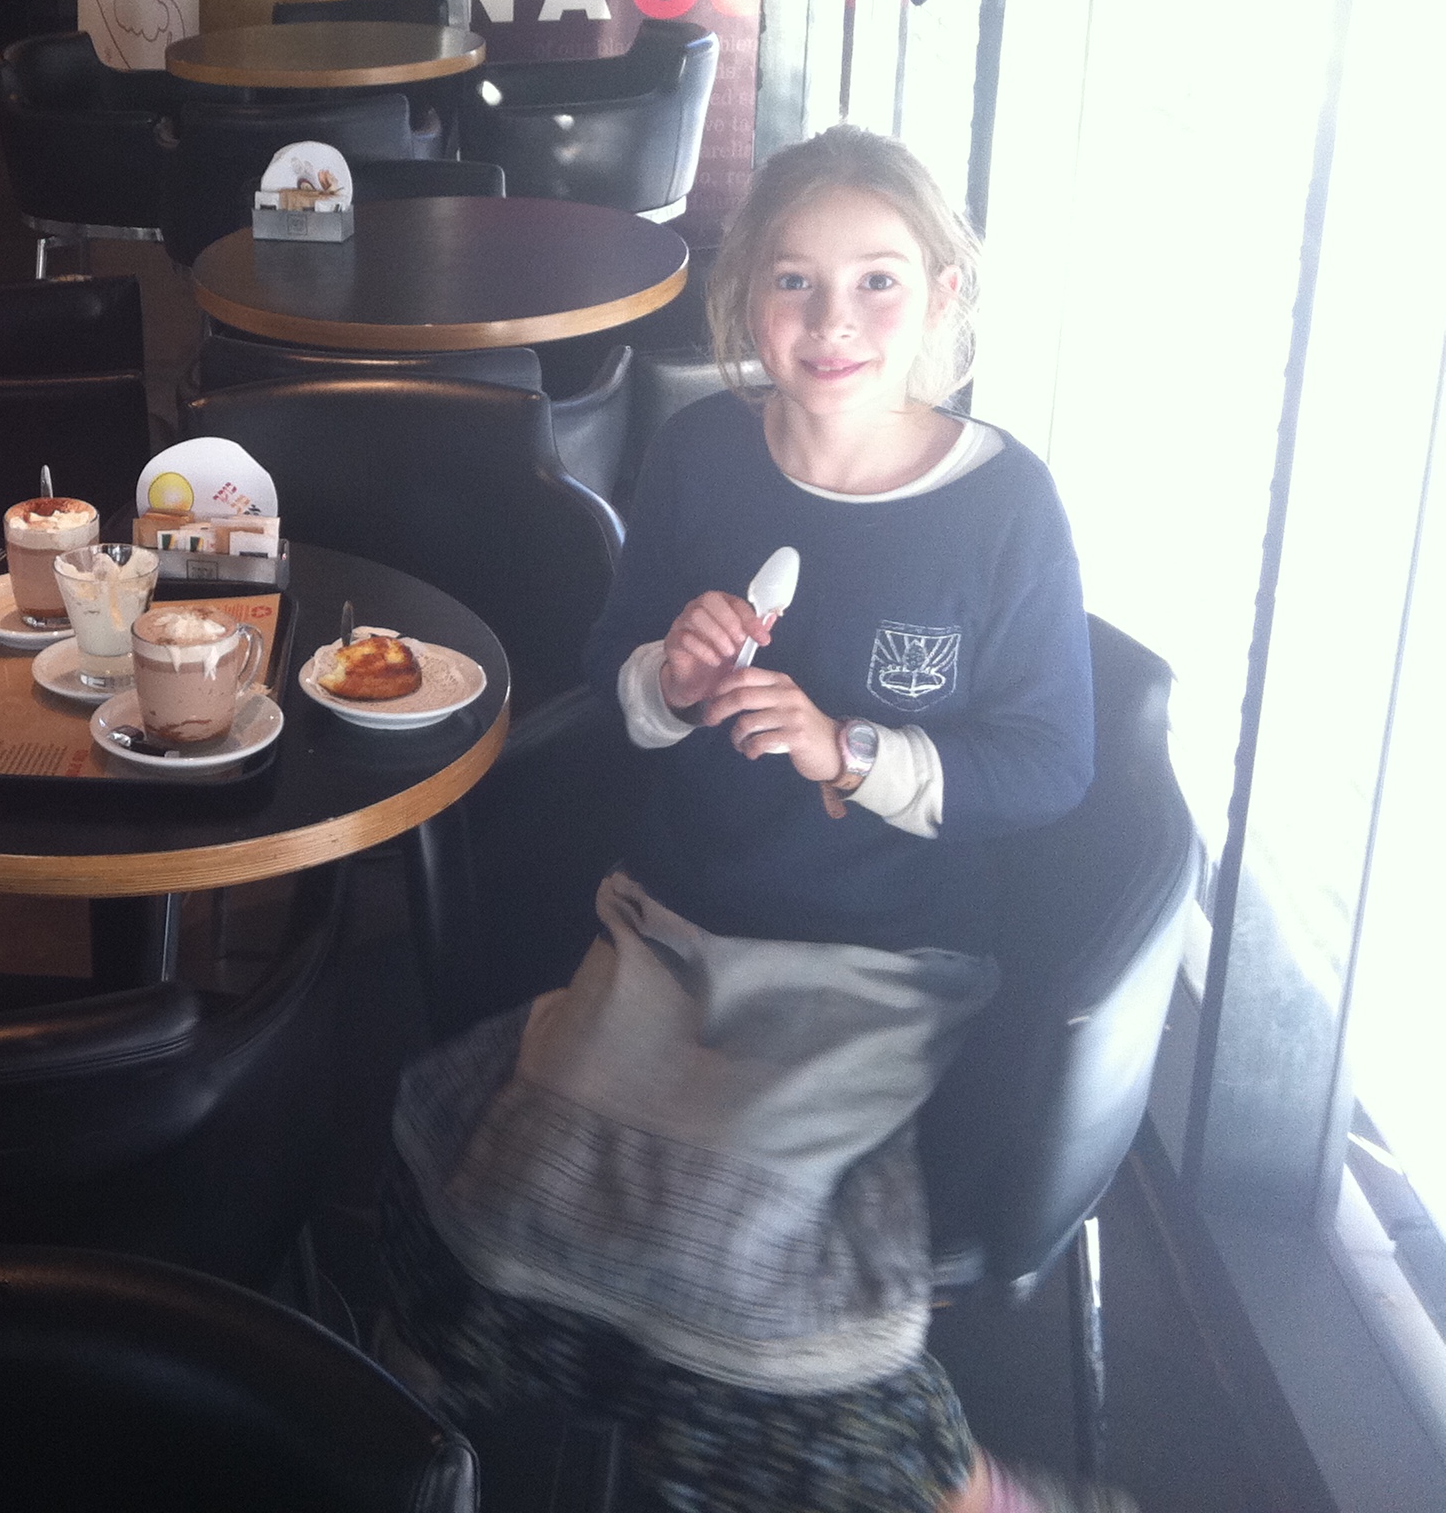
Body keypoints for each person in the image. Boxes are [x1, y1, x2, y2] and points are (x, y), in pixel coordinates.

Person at [380, 128, 1125, 1512]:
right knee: (514, 1183)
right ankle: (451, 1426)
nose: (833, 321)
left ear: (944, 296)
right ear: (747, 300)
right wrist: (669, 675)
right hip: (672, 918)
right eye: (794, 281)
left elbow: (1050, 765)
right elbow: (613, 667)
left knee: (742, 1246)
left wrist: (851, 751)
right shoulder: (704, 453)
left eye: (877, 281)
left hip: (881, 960)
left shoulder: (1005, 506)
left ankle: (957, 1488)